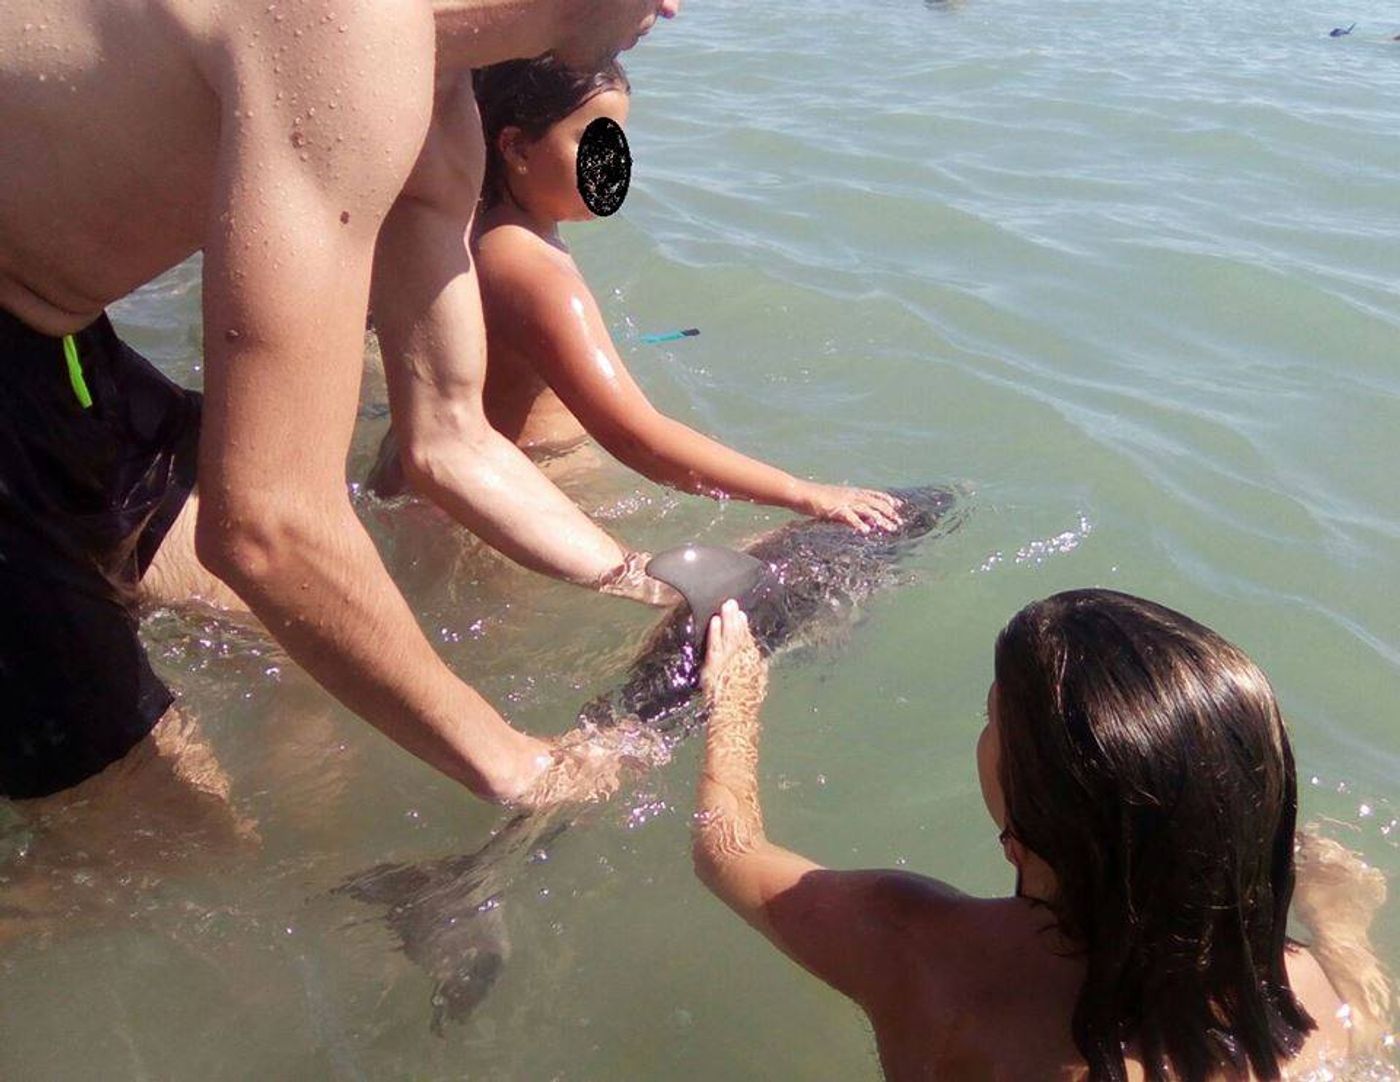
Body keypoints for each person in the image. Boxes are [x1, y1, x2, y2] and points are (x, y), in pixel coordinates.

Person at [0, 0, 682, 814]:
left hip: (60, 343)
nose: (672, 5)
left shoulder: (435, 96)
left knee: (288, 646)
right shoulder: (346, 29)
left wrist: (648, 585)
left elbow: (451, 439)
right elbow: (269, 527)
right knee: (167, 846)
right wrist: (516, 765)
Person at [693, 591, 1390, 1080]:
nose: (985, 727)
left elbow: (726, 850)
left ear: (1027, 842)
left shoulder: (916, 948)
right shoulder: (1321, 999)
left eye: (990, 716)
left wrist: (734, 703)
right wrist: (1341, 927)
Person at [369, 55, 902, 534]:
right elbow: (637, 438)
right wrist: (805, 494)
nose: (613, 161)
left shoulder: (470, 231)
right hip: (473, 512)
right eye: (592, 140)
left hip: (434, 485)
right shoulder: (533, 274)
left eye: (618, 139)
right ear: (515, 146)